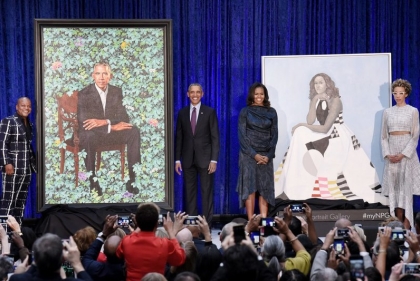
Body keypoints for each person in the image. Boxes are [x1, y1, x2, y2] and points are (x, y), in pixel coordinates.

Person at [275, 73, 387, 205]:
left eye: (320, 82)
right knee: (300, 133)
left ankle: (322, 187)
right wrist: (315, 99)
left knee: (301, 129)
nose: (317, 85)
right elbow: (310, 121)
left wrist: (301, 125)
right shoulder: (317, 99)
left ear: (327, 84)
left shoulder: (335, 100)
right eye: (315, 83)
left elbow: (326, 128)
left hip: (336, 135)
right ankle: (294, 183)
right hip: (325, 133)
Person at [78, 62, 141, 196]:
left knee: (133, 131)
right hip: (93, 134)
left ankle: (132, 180)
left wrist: (104, 122)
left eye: (105, 74)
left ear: (110, 77)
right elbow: (85, 122)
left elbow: (124, 117)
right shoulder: (84, 93)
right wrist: (111, 126)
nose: (101, 77)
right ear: (93, 76)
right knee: (88, 135)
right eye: (98, 73)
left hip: (110, 132)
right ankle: (93, 182)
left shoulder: (116, 91)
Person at [175, 83, 220, 224]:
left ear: (202, 94)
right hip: (187, 159)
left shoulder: (209, 112)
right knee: (190, 193)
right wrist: (177, 160)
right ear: (188, 94)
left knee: (206, 192)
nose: (195, 95)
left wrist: (214, 160)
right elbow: (179, 137)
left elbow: (215, 138)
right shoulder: (182, 113)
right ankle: (193, 224)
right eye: (192, 92)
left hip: (205, 160)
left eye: (198, 92)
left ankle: (206, 225)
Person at [381, 78, 420, 229]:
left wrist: (404, 154)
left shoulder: (412, 111)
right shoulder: (387, 112)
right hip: (392, 153)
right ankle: (396, 222)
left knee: (406, 188)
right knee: (395, 189)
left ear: (406, 94)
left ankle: (407, 224)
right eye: (395, 93)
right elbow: (384, 136)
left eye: (400, 93)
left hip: (406, 154)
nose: (397, 95)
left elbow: (415, 134)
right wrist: (388, 153)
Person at [236, 82, 278, 220]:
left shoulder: (272, 112)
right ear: (252, 96)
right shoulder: (245, 112)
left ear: (265, 96)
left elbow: (274, 135)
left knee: (265, 189)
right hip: (249, 155)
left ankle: (264, 223)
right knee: (250, 188)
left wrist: (269, 155)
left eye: (261, 94)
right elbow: (242, 136)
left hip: (266, 156)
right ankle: (251, 222)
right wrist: (254, 155)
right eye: (256, 94)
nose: (259, 96)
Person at [116, 203, 186, 280]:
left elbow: (118, 254)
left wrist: (139, 226)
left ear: (137, 222)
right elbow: (179, 259)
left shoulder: (127, 241)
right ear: (157, 224)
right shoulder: (164, 243)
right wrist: (170, 231)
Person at [0, 97, 36, 225]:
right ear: (17, 107)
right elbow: (2, 144)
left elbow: (27, 146)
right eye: (23, 106)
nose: (26, 108)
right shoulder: (8, 121)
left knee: (21, 202)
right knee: (8, 201)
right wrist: (6, 163)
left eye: (29, 106)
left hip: (26, 169)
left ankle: (16, 232)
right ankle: (3, 233)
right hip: (12, 168)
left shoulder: (30, 124)